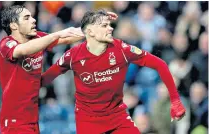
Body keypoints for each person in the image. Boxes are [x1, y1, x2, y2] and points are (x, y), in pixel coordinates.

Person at [42, 10, 186, 134]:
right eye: (104, 25)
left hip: (117, 116)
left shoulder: (122, 49)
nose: (110, 28)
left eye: (110, 25)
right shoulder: (73, 56)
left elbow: (160, 64)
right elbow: (44, 79)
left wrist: (175, 100)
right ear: (90, 31)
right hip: (88, 120)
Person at [0, 5, 85, 134]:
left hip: (32, 119)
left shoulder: (38, 38)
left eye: (32, 17)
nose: (33, 20)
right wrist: (58, 33)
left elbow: (67, 38)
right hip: (14, 121)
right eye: (27, 18)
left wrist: (94, 28)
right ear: (13, 25)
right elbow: (24, 50)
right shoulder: (6, 43)